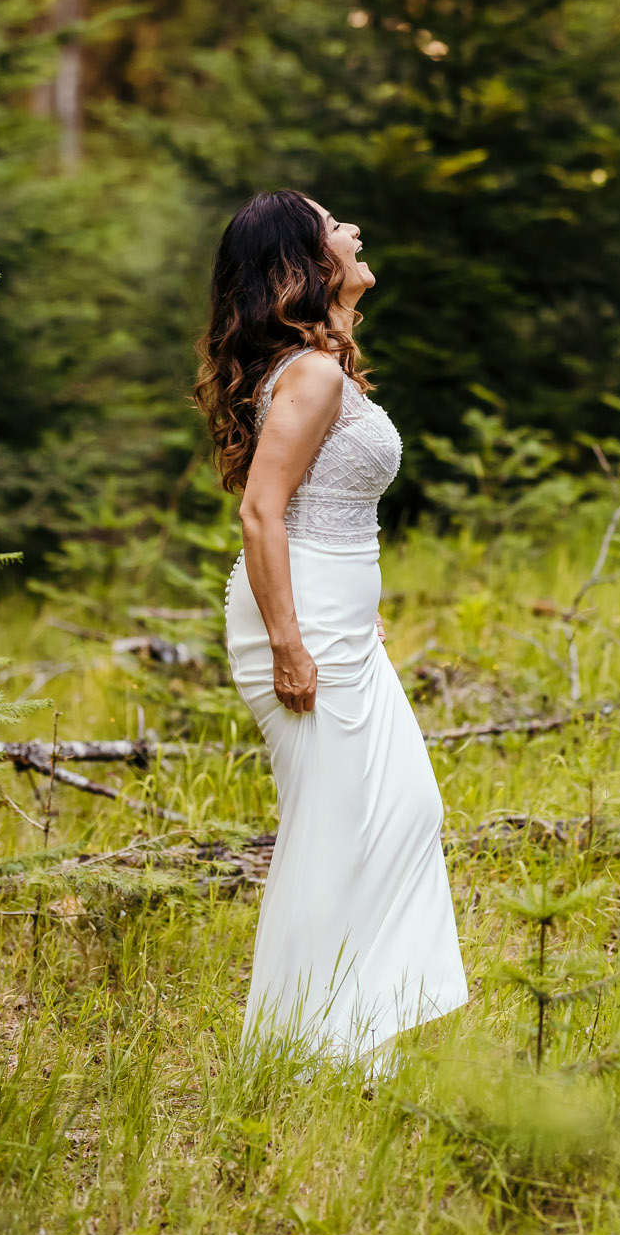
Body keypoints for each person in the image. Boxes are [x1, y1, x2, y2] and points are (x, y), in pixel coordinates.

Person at [196, 189, 467, 1070]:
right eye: (332, 225)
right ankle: (296, 1051)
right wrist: (289, 643)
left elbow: (327, 509)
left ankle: (354, 1028)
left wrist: (356, 615)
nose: (353, 227)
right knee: (329, 827)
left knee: (404, 809)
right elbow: (261, 513)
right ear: (303, 264)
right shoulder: (310, 374)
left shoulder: (322, 363)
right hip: (300, 621)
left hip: (343, 622)